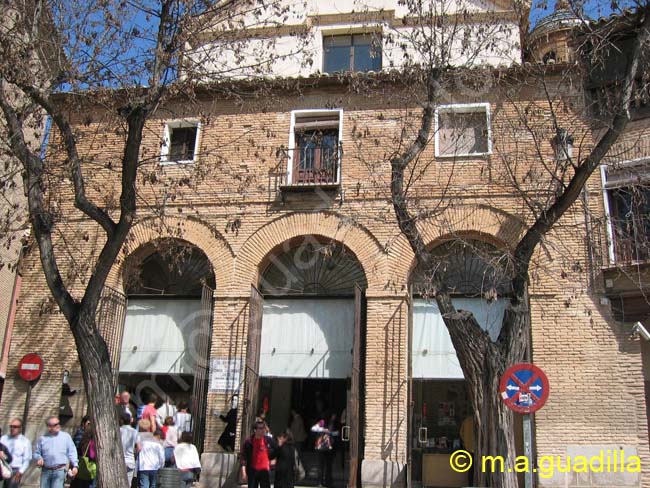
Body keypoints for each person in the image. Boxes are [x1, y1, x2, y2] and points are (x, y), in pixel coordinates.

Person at [33, 416, 78, 488]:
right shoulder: (43, 439)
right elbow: (36, 453)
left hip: (59, 471)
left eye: (58, 423)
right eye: (55, 424)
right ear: (49, 427)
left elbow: (72, 452)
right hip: (46, 471)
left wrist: (75, 465)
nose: (58, 425)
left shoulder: (66, 437)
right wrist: (39, 458)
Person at [239, 420, 277, 488]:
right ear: (255, 430)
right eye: (260, 428)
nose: (263, 430)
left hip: (265, 471)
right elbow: (243, 457)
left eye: (263, 428)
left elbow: (278, 450)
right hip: (253, 471)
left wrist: (274, 459)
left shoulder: (269, 440)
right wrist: (244, 472)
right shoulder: (249, 442)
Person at [311, 413, 339, 488]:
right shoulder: (322, 422)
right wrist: (323, 430)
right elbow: (313, 428)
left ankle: (328, 481)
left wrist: (330, 433)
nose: (334, 417)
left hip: (330, 447)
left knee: (328, 466)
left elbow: (337, 433)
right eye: (333, 415)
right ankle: (320, 482)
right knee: (321, 465)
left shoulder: (334, 423)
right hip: (322, 447)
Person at [1, 418, 31, 487]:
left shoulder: (25, 441)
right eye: (11, 426)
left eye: (15, 427)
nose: (12, 428)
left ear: (20, 428)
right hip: (2, 468)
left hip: (15, 471)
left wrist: (21, 471)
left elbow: (27, 459)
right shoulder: (3, 439)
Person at [136, 420, 164, 488]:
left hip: (144, 465)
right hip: (154, 466)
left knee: (144, 484)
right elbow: (161, 456)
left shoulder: (138, 437)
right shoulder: (156, 440)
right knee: (153, 484)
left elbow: (138, 449)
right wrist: (161, 465)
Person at [119, 413, 138, 487]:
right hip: (130, 460)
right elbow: (138, 447)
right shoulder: (135, 431)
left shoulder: (118, 430)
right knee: (128, 484)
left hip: (119, 461)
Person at [459, 415, 475, 486]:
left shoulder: (467, 420)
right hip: (477, 448)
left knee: (471, 468)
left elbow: (461, 433)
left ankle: (471, 484)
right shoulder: (480, 420)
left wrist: (465, 442)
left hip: (468, 448)